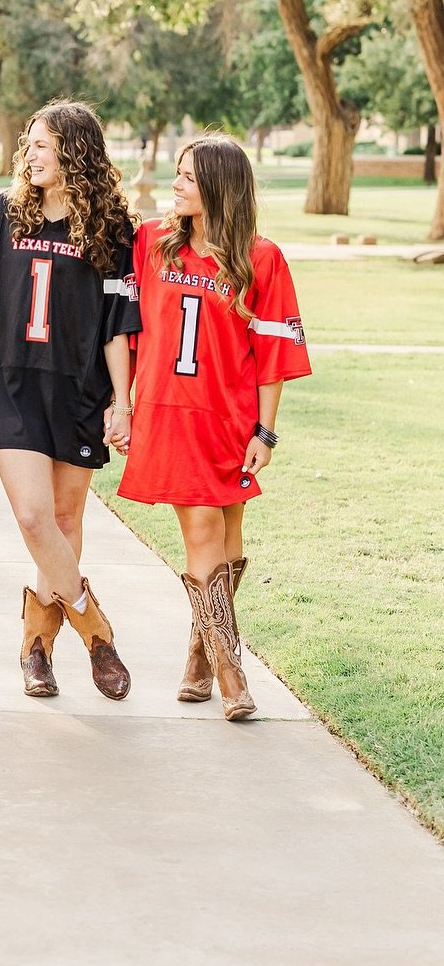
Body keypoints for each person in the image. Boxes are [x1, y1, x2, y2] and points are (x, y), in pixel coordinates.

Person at [109, 135, 311, 720]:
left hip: (230, 418)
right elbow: (120, 325)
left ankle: (199, 653)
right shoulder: (150, 242)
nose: (177, 185)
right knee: (202, 534)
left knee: (227, 537)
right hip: (170, 415)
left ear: (220, 188)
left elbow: (273, 355)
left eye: (189, 177)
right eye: (176, 173)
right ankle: (230, 673)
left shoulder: (260, 258)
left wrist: (265, 433)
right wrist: (121, 403)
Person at [0, 100, 139, 702]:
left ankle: (37, 648)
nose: (29, 153)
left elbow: (119, 324)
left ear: (75, 151)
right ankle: (95, 629)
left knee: (65, 522)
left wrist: (122, 401)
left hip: (79, 387)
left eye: (42, 144)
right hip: (13, 385)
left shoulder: (112, 225)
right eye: (28, 144)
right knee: (35, 517)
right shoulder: (1, 214)